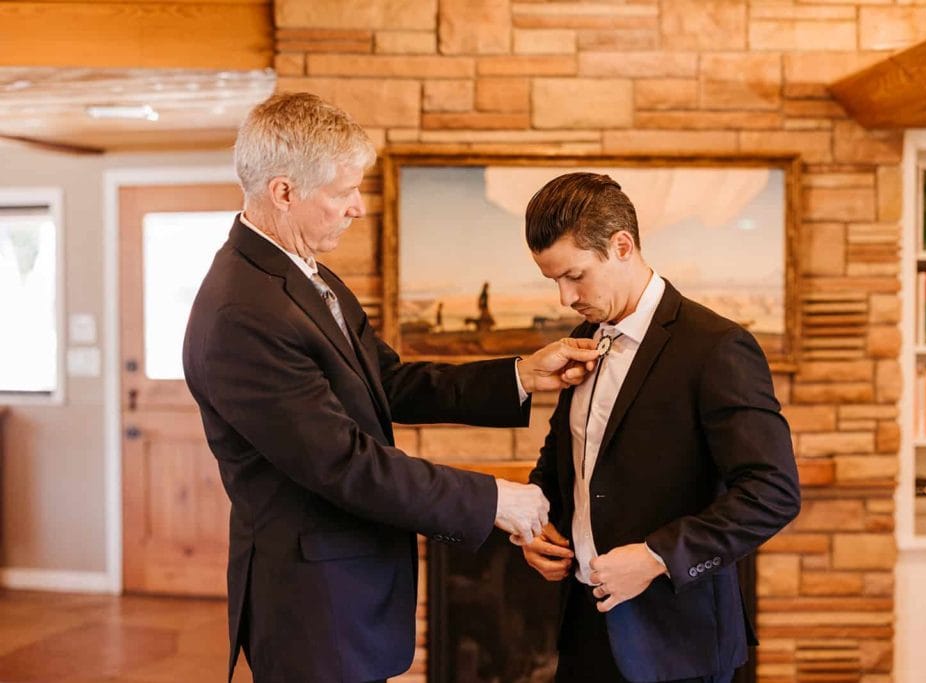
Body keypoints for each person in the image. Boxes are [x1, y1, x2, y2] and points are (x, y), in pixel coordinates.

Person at [182, 93, 599, 683]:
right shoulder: (242, 313)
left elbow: (387, 382)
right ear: (283, 192)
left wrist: (521, 374)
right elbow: (343, 464)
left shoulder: (305, 274)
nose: (358, 208)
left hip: (343, 592)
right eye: (343, 192)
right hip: (312, 606)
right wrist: (496, 501)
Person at [519, 172, 801, 683]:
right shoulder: (583, 339)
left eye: (575, 275)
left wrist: (655, 557)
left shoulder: (716, 347)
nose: (564, 298)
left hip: (679, 642)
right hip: (585, 627)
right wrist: (538, 528)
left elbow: (773, 493)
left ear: (622, 245)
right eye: (553, 280)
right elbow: (570, 461)